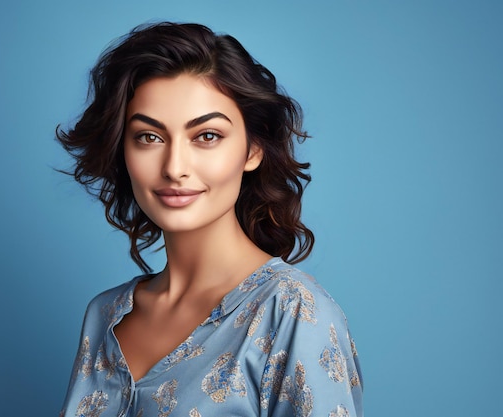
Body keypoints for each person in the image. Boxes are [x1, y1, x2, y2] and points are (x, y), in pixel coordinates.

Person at [57, 22, 363, 417]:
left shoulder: (292, 312)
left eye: (207, 136)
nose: (175, 167)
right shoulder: (106, 315)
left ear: (253, 149)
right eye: (149, 137)